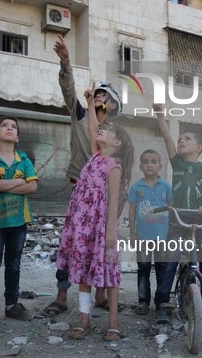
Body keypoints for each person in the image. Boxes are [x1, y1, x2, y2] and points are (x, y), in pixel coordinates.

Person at [43, 34, 123, 317]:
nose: (98, 97)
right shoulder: (80, 115)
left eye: (104, 97)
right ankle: (62, 295)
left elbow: (121, 172)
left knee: (103, 243)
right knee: (72, 244)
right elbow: (68, 89)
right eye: (97, 94)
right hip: (79, 191)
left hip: (108, 196)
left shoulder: (116, 136)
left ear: (112, 106)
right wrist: (66, 63)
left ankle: (100, 296)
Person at [56, 84, 134, 341]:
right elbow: (91, 128)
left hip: (103, 227)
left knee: (109, 272)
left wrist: (111, 231)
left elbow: (113, 200)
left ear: (117, 142)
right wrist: (90, 104)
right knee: (81, 270)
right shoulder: (93, 156)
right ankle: (84, 318)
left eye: (107, 129)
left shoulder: (113, 165)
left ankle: (113, 320)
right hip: (82, 223)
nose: (101, 129)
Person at [153, 104, 202, 330]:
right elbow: (167, 137)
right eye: (180, 139)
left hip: (201, 221)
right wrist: (161, 116)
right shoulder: (177, 162)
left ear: (199, 147)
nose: (181, 141)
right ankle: (162, 305)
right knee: (169, 263)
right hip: (178, 220)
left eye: (187, 139)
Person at [0, 117, 39, 330]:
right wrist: (20, 181)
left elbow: (33, 188)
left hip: (19, 221)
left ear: (18, 137)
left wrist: (4, 186)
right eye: (5, 126)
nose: (9, 128)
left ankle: (12, 305)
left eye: (13, 127)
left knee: (13, 264)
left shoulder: (24, 159)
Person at [128, 149, 173, 320]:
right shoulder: (136, 188)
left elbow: (171, 210)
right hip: (143, 237)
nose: (149, 164)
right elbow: (132, 212)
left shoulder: (166, 187)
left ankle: (162, 302)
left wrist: (171, 234)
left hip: (163, 237)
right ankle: (143, 301)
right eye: (146, 161)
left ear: (160, 166)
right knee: (143, 269)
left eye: (154, 161)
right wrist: (132, 235)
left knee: (163, 270)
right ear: (140, 166)